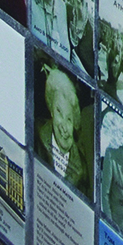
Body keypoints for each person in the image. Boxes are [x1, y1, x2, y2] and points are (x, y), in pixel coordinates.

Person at [36, 63, 92, 193]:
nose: (63, 126)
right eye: (59, 111)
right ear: (51, 109)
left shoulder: (83, 171)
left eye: (69, 119)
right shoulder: (35, 134)